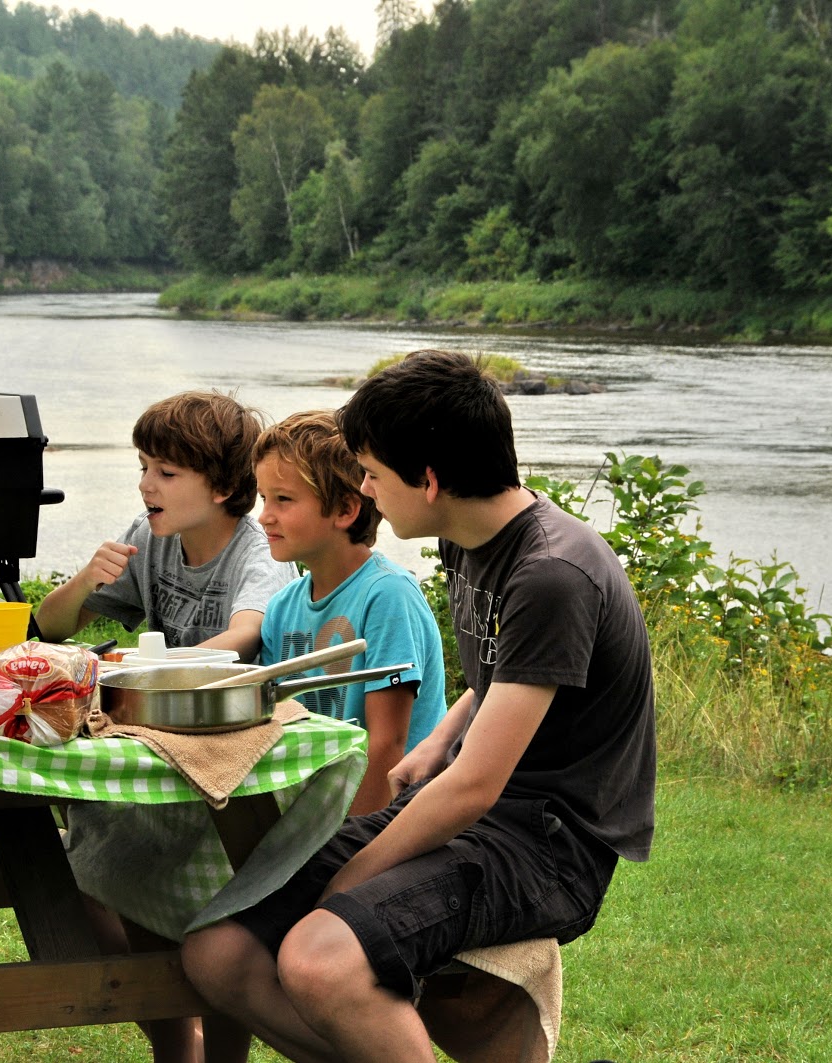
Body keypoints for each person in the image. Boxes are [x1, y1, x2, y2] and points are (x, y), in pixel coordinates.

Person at [181, 349, 656, 1062]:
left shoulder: (551, 572)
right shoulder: (473, 538)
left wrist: (351, 877)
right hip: (474, 809)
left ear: (429, 480)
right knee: (218, 949)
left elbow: (474, 787)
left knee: (318, 955)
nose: (366, 488)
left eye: (372, 472)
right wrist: (449, 732)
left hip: (549, 842)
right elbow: (514, 671)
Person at [254, 409, 446, 815]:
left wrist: (349, 848)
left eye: (283, 499)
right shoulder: (282, 607)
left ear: (345, 510)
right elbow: (274, 727)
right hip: (314, 810)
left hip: (391, 812)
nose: (265, 516)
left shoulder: (387, 596)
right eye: (263, 498)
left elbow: (388, 745)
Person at [36, 390, 296, 661]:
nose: (145, 485)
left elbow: (246, 636)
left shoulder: (260, 554)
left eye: (167, 473)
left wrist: (155, 667)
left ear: (224, 486)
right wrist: (85, 580)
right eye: (143, 468)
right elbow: (48, 629)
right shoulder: (147, 537)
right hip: (174, 696)